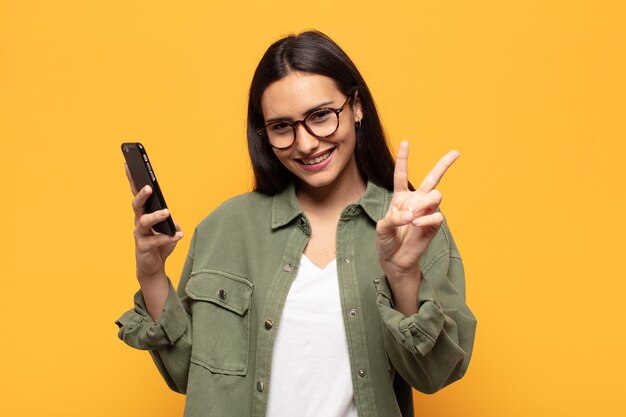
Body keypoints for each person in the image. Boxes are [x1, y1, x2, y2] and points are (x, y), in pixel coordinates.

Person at [116, 30, 477, 417]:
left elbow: (436, 374)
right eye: (282, 127)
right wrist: (153, 278)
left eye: (321, 116)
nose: (305, 144)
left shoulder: (412, 226)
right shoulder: (227, 227)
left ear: (356, 107)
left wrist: (404, 275)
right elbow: (189, 374)